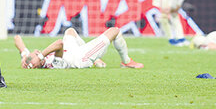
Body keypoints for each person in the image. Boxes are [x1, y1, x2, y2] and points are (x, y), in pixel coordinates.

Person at [14, 27, 143, 69]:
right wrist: (41, 55)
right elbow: (59, 43)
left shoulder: (30, 60)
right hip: (81, 57)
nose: (36, 51)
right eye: (35, 55)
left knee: (70, 31)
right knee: (114, 31)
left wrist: (24, 54)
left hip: (70, 51)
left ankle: (97, 60)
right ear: (38, 62)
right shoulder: (55, 64)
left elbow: (17, 39)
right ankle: (126, 62)